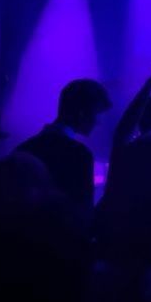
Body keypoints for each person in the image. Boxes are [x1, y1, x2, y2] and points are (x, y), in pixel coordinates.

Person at [17, 79, 111, 212]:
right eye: (97, 114)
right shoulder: (79, 155)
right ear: (82, 114)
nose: (98, 122)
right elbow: (81, 214)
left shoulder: (24, 148)